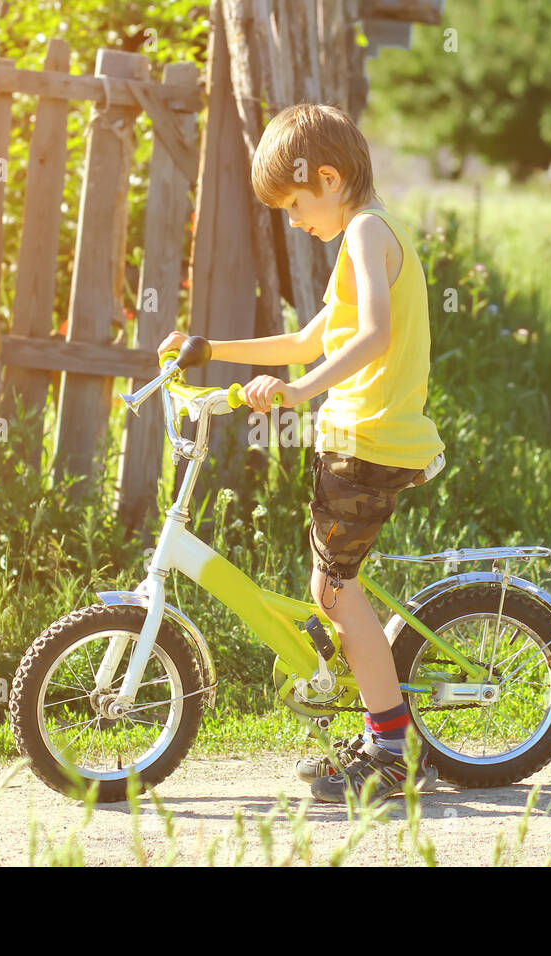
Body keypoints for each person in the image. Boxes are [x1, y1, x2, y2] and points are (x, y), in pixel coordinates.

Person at [157, 103, 446, 803]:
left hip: (368, 440)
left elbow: (372, 335)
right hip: (360, 440)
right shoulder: (368, 235)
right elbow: (304, 341)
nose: (294, 221)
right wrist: (211, 349)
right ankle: (385, 730)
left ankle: (393, 751)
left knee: (336, 594)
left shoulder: (365, 234)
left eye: (294, 204)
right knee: (332, 588)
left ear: (328, 176)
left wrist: (302, 392)